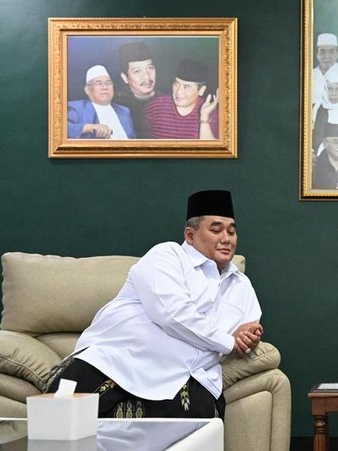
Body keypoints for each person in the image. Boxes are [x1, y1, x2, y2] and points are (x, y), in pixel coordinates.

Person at [44, 190, 264, 420]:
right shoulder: (166, 256)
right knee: (58, 419)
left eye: (232, 231)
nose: (227, 238)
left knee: (193, 422)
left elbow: (248, 333)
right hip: (119, 361)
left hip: (186, 377)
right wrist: (229, 340)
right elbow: (173, 315)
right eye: (216, 230)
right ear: (190, 235)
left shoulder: (242, 286)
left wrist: (247, 339)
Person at [144, 59, 219, 139]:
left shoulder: (211, 113)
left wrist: (204, 117)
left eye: (186, 87)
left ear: (201, 90)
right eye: (176, 84)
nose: (178, 92)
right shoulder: (155, 106)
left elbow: (211, 150)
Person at [68, 65, 136, 139]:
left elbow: (133, 138)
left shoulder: (123, 111)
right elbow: (62, 129)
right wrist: (90, 127)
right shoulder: (77, 108)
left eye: (108, 83)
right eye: (99, 83)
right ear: (87, 90)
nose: (105, 87)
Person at [115, 41, 160, 138]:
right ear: (125, 78)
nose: (147, 77)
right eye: (137, 71)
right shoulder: (117, 109)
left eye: (150, 68)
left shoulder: (170, 101)